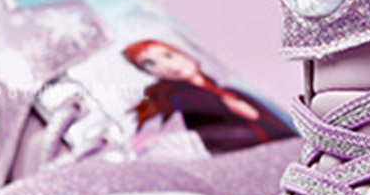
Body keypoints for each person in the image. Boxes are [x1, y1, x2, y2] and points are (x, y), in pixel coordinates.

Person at [122, 39, 294, 154]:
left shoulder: (228, 90)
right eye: (150, 64)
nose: (167, 66)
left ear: (185, 53)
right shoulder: (185, 98)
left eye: (169, 55)